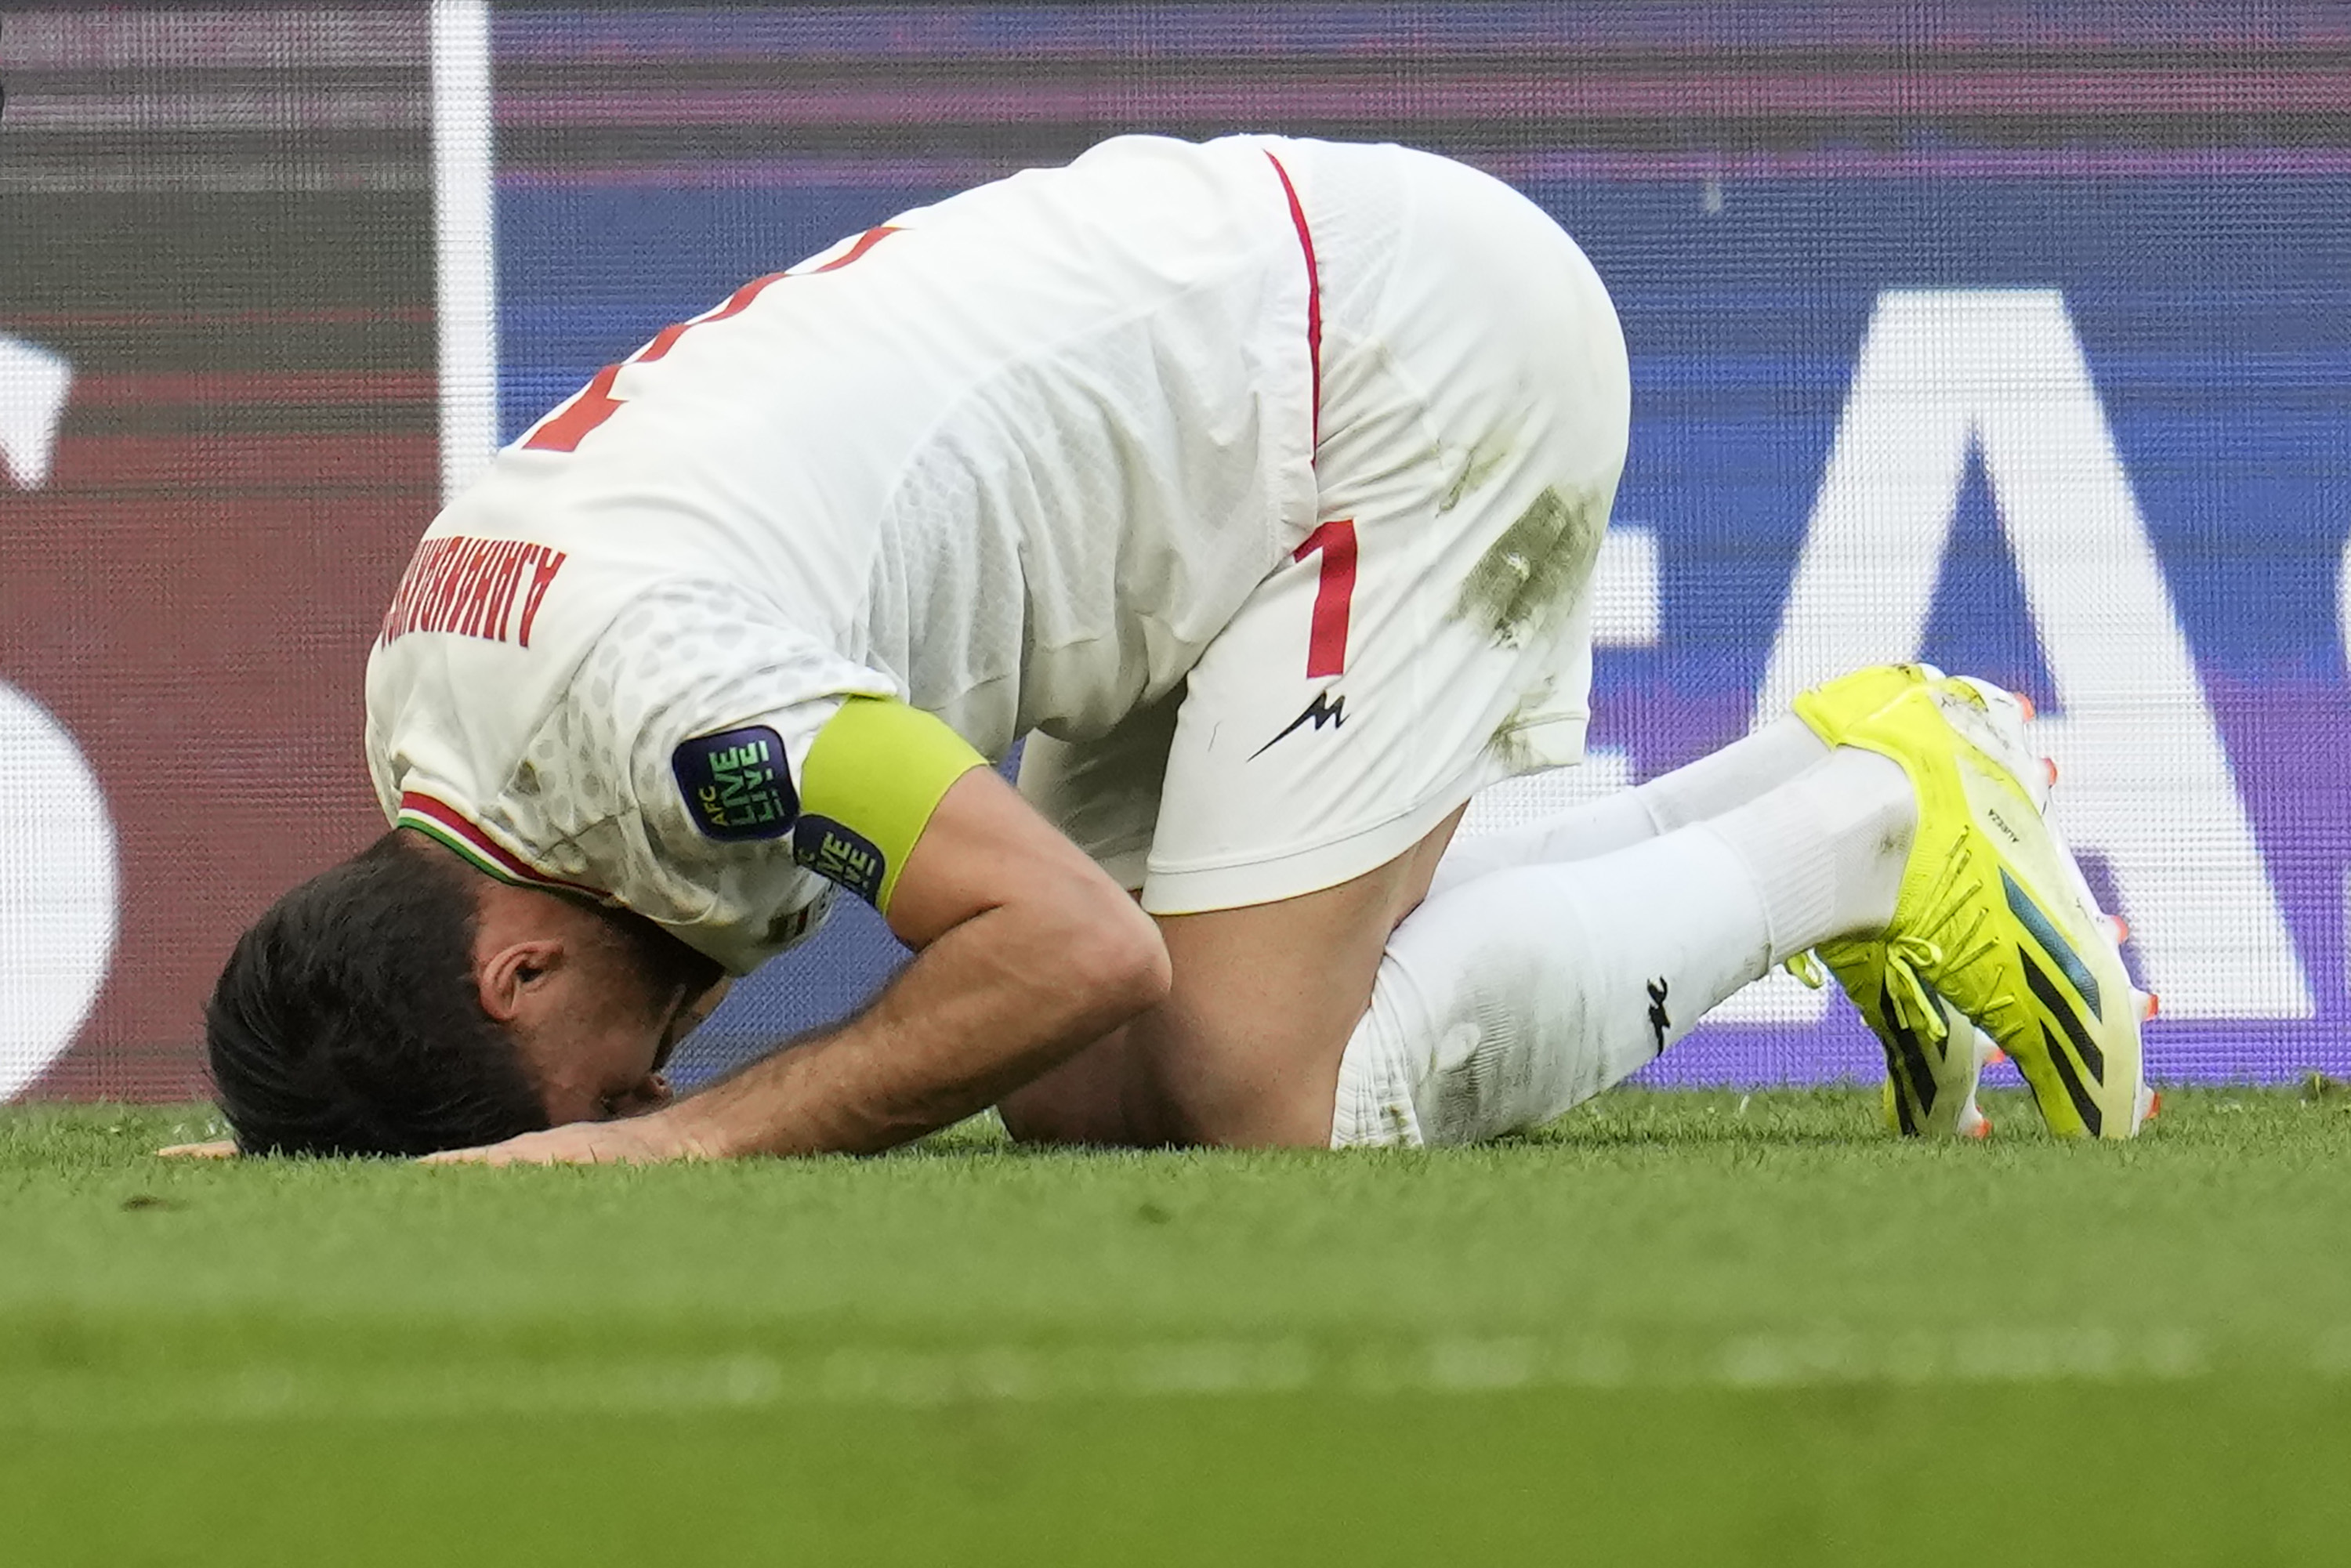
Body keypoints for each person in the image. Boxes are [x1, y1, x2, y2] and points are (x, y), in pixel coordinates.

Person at [194, 136, 2153, 1164]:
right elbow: (1033, 996)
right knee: (1080, 1091)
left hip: (1378, 378)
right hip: (1222, 415)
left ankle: (1878, 827)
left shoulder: (681, 724)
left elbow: (1066, 937)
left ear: (517, 965)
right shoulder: (444, 731)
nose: (644, 1087)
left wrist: (683, 1145)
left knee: (1248, 1086)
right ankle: (1838, 758)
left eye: (595, 1090)